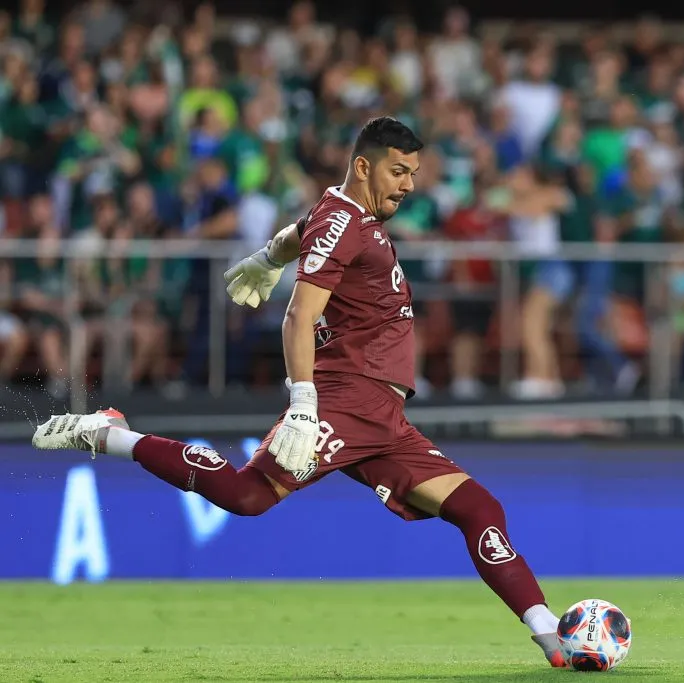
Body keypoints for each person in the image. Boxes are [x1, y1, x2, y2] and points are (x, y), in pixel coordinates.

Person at [31, 117, 567, 669]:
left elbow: (301, 228)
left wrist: (267, 259)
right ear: (363, 166)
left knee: (479, 506)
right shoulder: (345, 222)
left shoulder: (341, 212)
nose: (408, 185)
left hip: (383, 418)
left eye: (414, 173)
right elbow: (299, 315)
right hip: (345, 399)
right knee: (247, 498)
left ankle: (550, 632)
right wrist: (305, 405)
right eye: (398, 170)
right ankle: (111, 434)